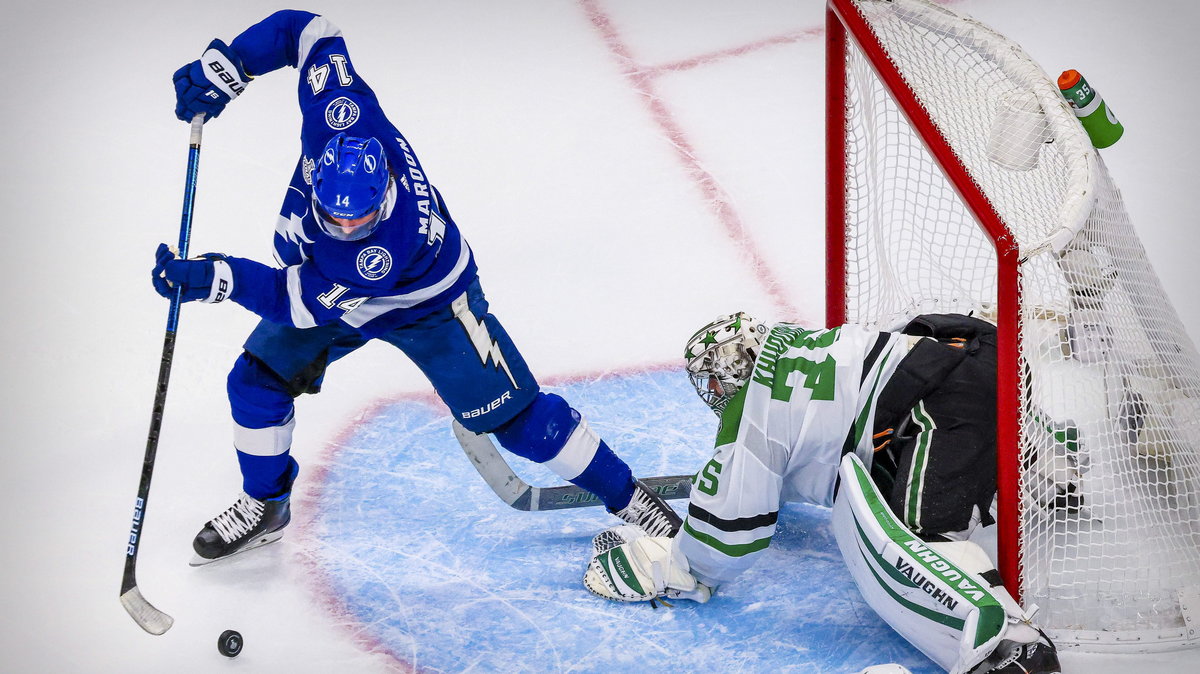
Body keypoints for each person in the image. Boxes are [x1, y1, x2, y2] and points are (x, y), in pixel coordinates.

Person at [156, 10, 679, 566]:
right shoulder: (342, 114)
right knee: (255, 384)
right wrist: (229, 67)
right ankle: (266, 506)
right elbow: (306, 30)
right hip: (326, 289)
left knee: (520, 422)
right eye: (336, 219)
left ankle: (630, 498)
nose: (348, 227)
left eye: (360, 220)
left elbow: (296, 302)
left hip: (431, 307)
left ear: (382, 195)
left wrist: (215, 276)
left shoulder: (373, 254)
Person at [582, 312, 1062, 674]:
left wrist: (664, 564)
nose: (712, 391)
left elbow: (727, 538)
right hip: (984, 354)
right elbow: (810, 446)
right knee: (903, 447)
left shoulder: (753, 412)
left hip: (946, 406)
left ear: (729, 371)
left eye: (711, 379)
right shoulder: (799, 342)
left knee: (919, 537)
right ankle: (1052, 465)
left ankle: (1015, 647)